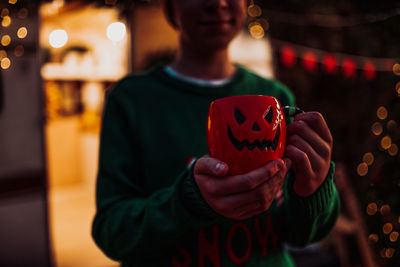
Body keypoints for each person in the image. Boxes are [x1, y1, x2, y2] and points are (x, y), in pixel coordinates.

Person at [92, 0, 340, 266]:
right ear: (170, 8)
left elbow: (302, 236)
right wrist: (187, 203)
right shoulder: (130, 100)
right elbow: (112, 231)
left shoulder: (276, 98)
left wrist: (312, 190)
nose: (217, 3)